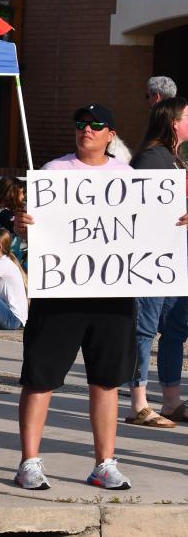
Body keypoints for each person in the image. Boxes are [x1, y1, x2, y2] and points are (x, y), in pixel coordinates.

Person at [13, 103, 144, 491]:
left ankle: (105, 463)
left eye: (96, 124)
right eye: (81, 124)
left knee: (106, 382)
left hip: (113, 295)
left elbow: (143, 229)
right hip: (61, 294)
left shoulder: (127, 175)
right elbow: (34, 237)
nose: (87, 129)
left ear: (110, 134)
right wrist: (23, 225)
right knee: (41, 378)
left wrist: (173, 220)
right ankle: (29, 463)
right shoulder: (55, 172)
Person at [122, 96, 188, 429]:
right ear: (173, 121)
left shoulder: (173, 159)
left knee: (176, 329)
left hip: (174, 259)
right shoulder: (151, 159)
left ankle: (172, 400)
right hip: (151, 260)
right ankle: (139, 403)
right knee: (145, 329)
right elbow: (138, 211)